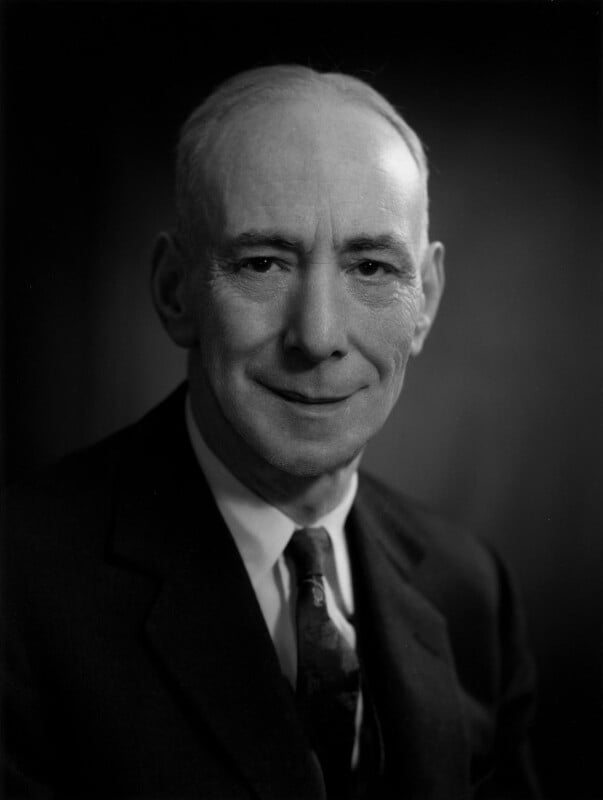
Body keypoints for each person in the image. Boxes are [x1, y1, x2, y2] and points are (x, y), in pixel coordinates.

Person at [2, 65, 540, 799]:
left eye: (371, 266)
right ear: (175, 291)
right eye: (262, 263)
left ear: (426, 300)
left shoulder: (470, 590)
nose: (317, 336)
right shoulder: (20, 586)